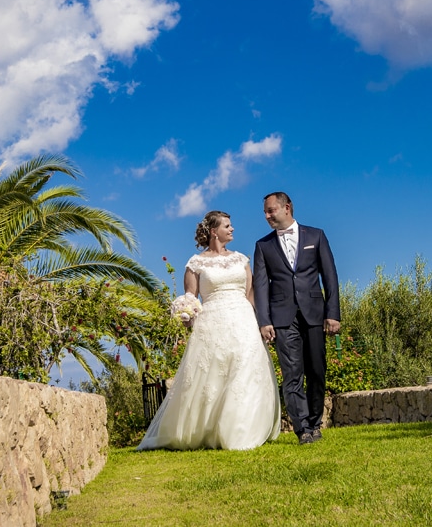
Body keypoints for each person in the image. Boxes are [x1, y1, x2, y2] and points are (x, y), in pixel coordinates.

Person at [137, 211, 280, 451]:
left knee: (245, 370)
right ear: (214, 231)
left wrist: (259, 321)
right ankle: (207, 428)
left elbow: (250, 293)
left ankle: (240, 429)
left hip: (242, 319)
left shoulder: (241, 260)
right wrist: (186, 312)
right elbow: (191, 296)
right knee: (213, 375)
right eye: (227, 225)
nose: (232, 229)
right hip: (212, 322)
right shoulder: (196, 264)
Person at [253, 192, 340, 444]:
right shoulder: (263, 246)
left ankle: (315, 424)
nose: (267, 216)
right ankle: (302, 429)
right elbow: (260, 285)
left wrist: (332, 313)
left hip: (314, 313)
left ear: (287, 207)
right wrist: (264, 320)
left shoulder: (317, 236)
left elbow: (330, 276)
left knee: (316, 370)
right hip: (281, 318)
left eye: (271, 210)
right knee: (292, 373)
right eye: (265, 212)